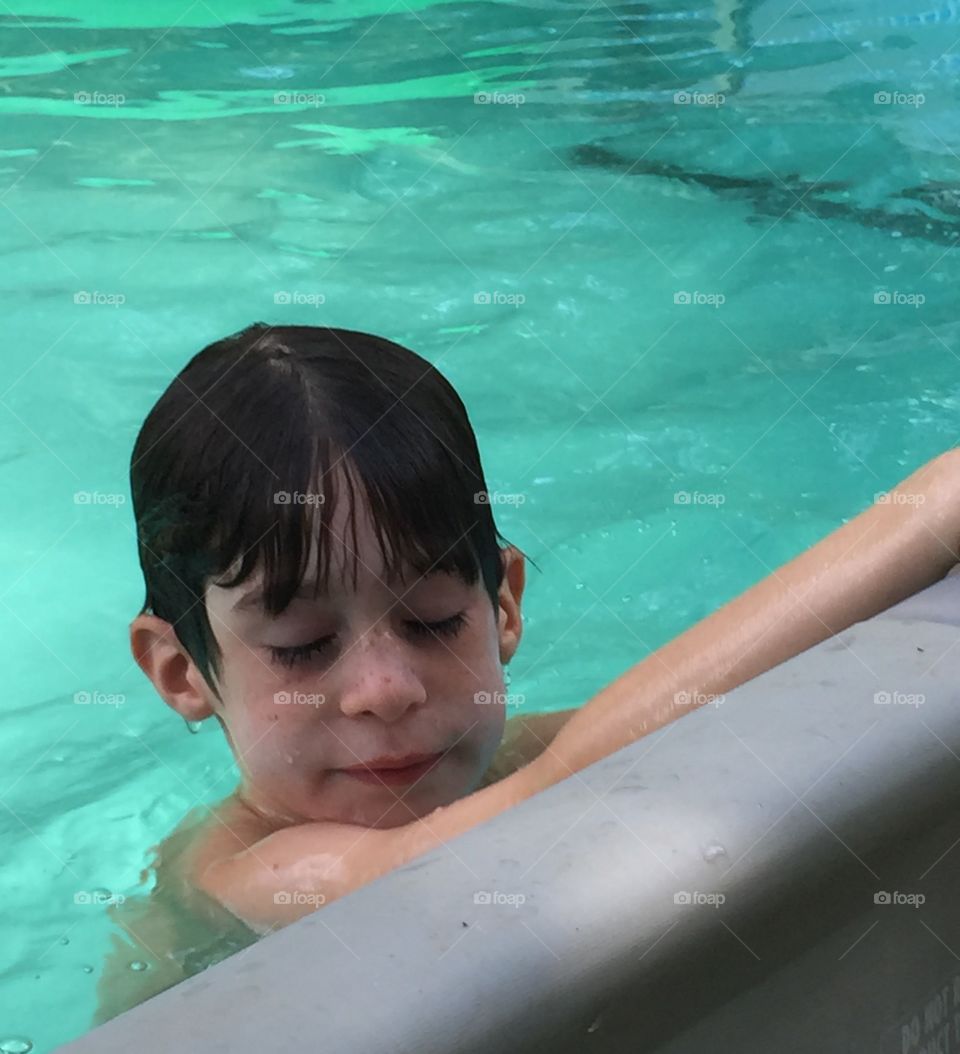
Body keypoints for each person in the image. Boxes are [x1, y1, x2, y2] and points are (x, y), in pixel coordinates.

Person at [95, 321, 960, 1022]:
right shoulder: (242, 872)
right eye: (302, 647)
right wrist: (926, 516)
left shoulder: (496, 759)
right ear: (180, 673)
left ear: (504, 606)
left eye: (433, 620)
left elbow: (683, 714)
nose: (387, 690)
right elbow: (529, 798)